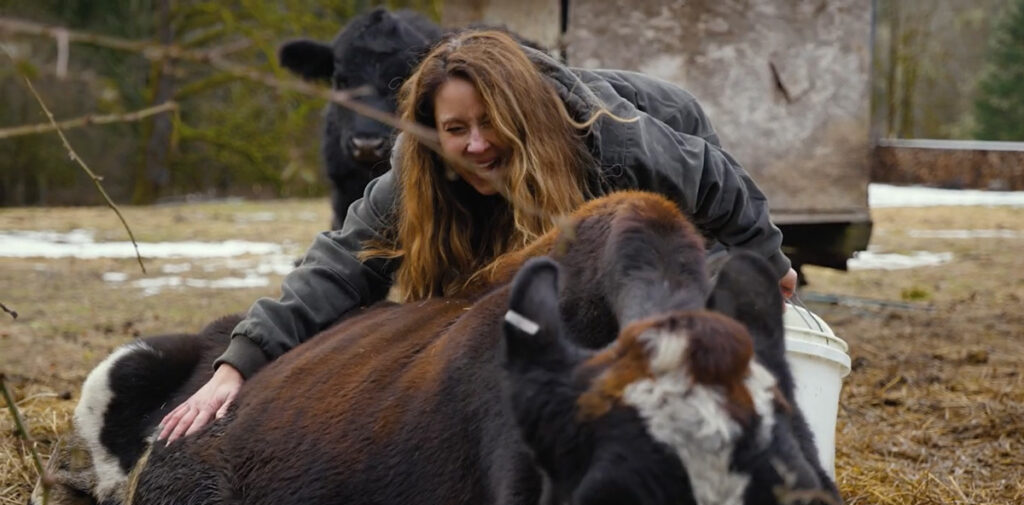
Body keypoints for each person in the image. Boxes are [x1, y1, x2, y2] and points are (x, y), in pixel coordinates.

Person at [159, 29, 798, 444]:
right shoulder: (423, 165)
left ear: (521, 113)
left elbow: (715, 180)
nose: (475, 143)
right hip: (526, 210)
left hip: (657, 169)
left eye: (490, 122)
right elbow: (339, 261)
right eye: (456, 128)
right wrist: (239, 362)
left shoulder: (610, 137)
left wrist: (767, 262)